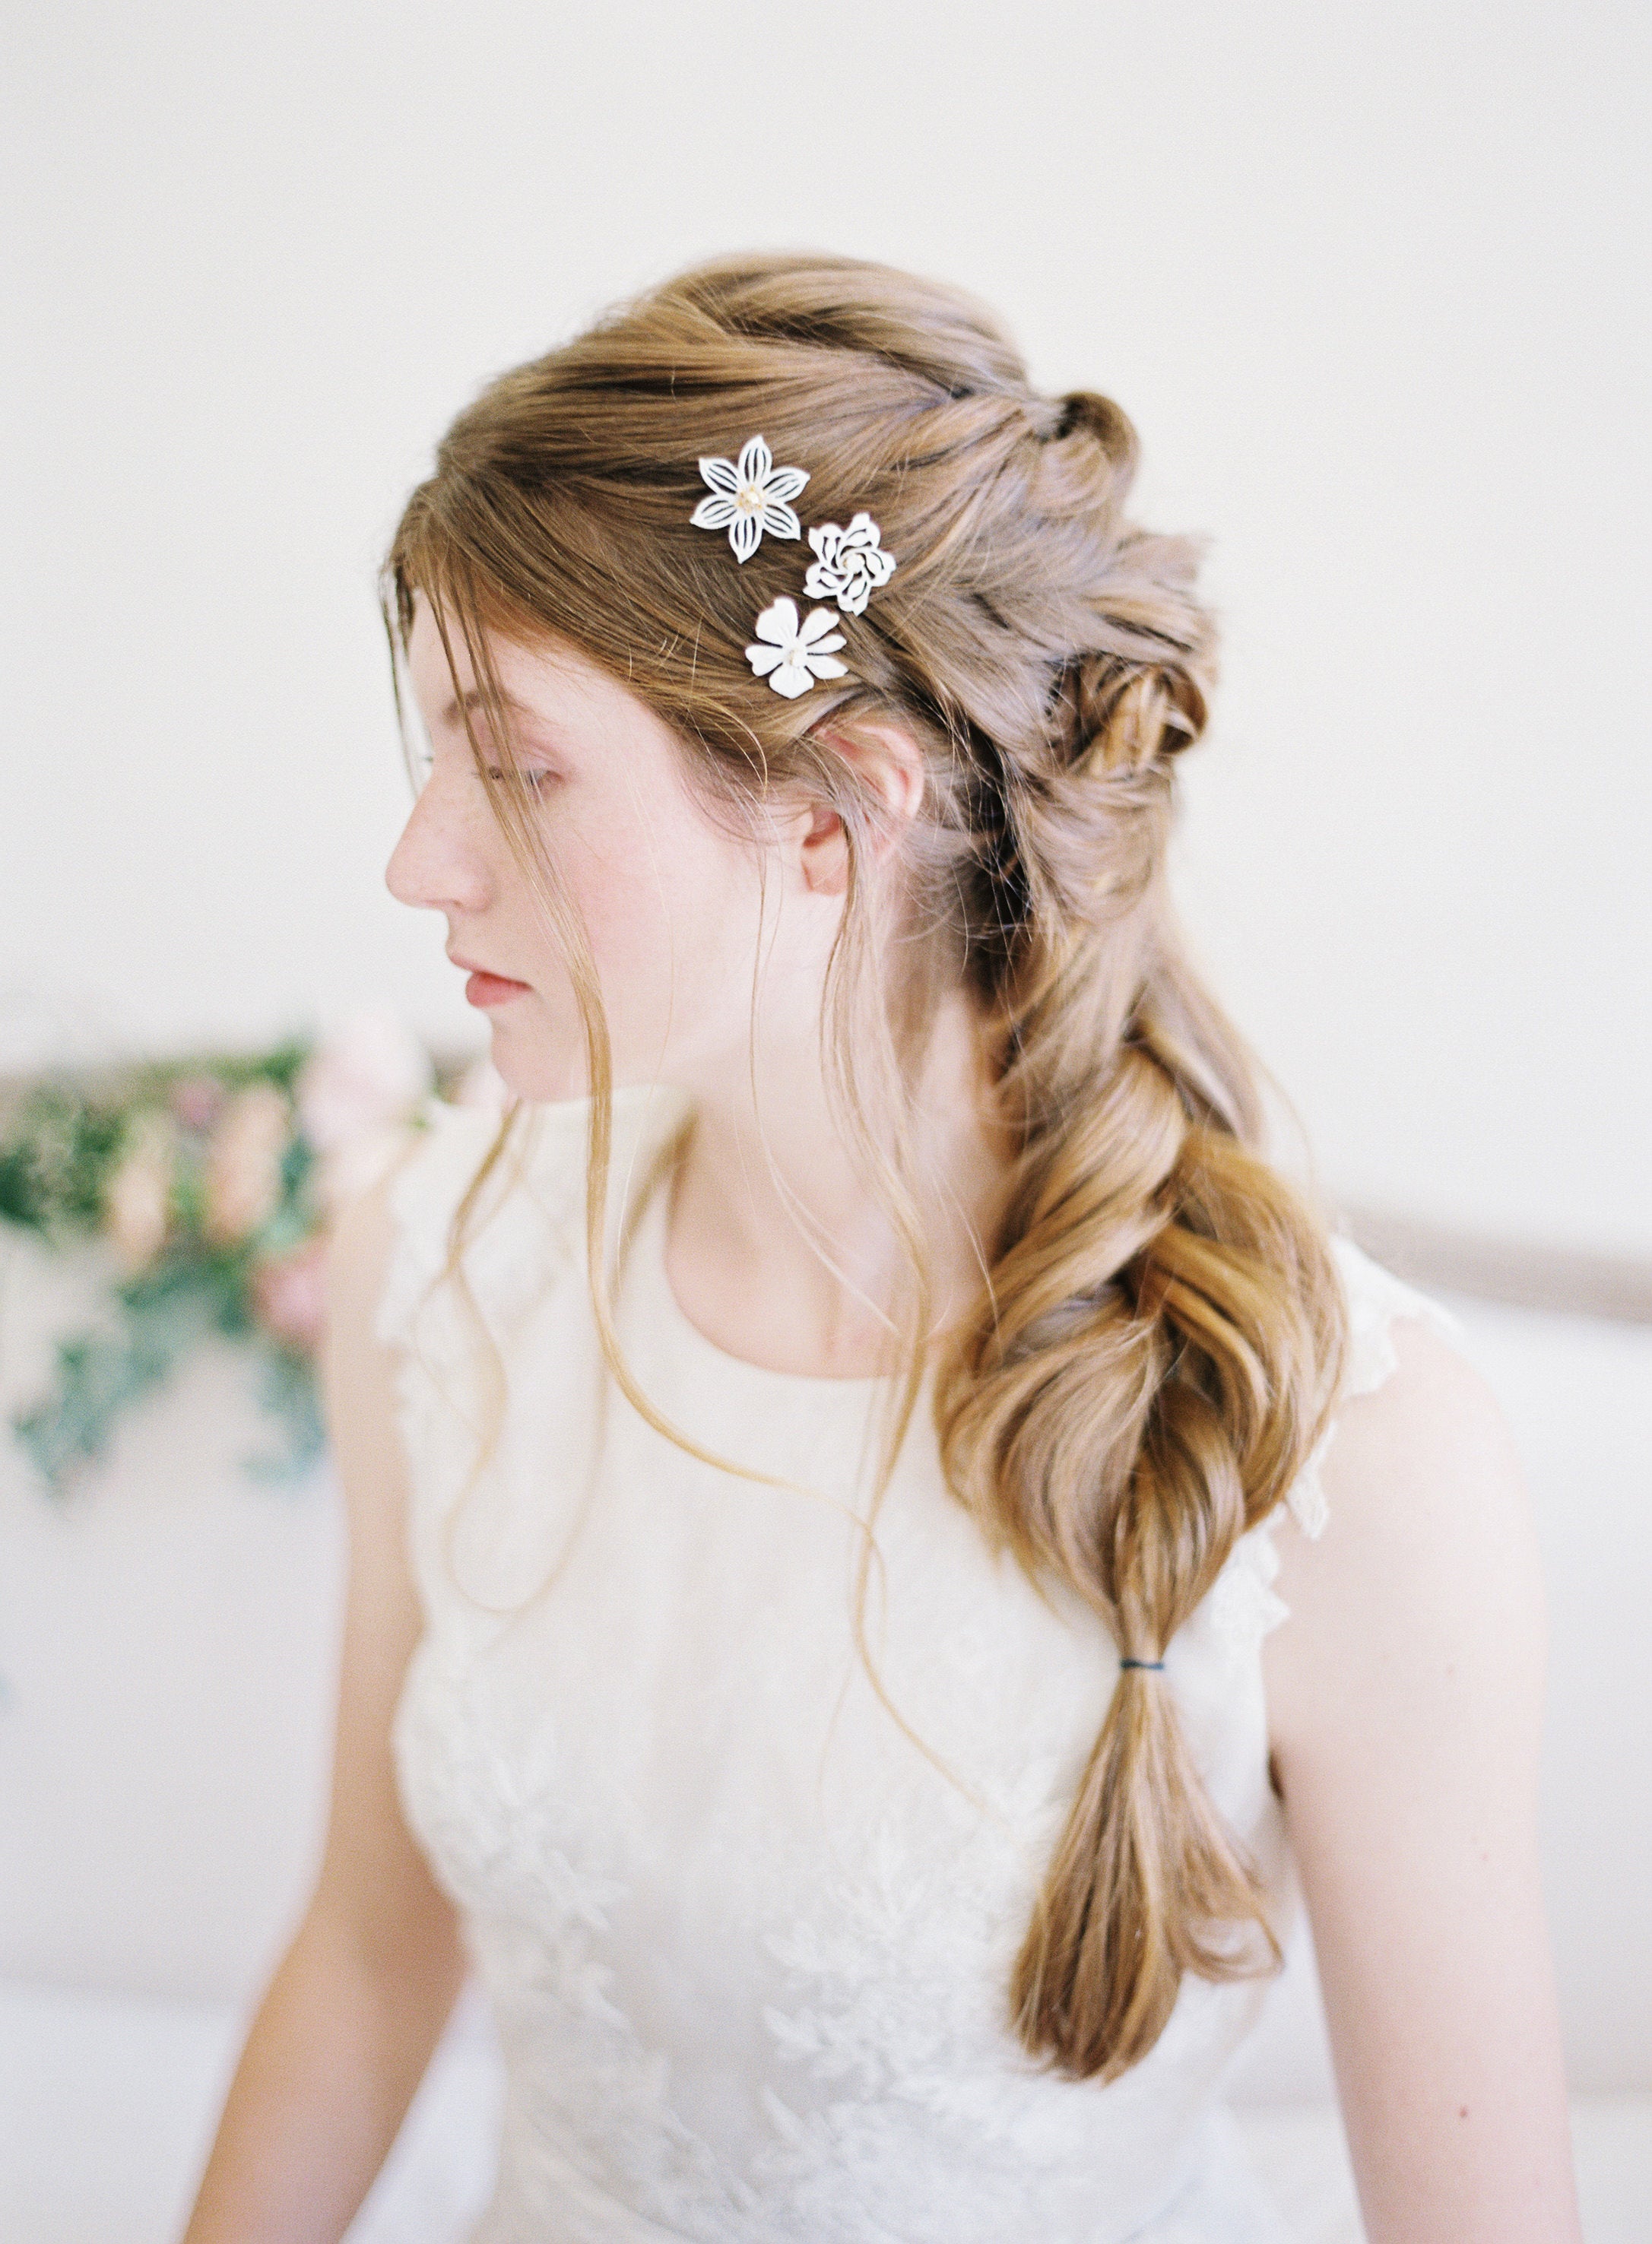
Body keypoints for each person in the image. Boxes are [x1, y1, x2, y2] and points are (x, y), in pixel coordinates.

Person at [181, 252, 1581, 2243]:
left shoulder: (1357, 1464)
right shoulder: (436, 1264)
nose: (421, 860)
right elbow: (364, 1955)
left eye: (518, 766)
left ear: (843, 805)